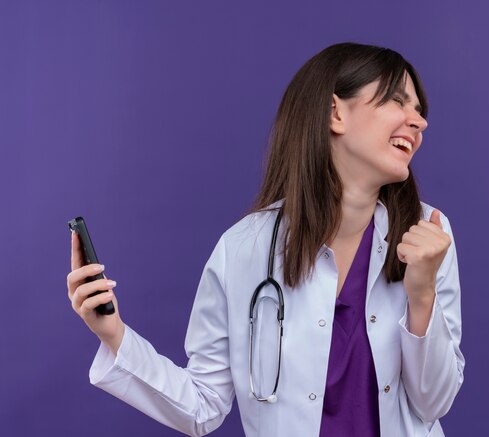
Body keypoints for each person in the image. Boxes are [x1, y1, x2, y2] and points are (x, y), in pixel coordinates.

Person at [67, 42, 464, 437]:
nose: (419, 122)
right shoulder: (244, 248)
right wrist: (114, 335)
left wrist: (422, 295)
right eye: (398, 101)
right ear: (334, 112)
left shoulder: (429, 235)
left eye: (420, 110)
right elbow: (202, 404)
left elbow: (434, 402)